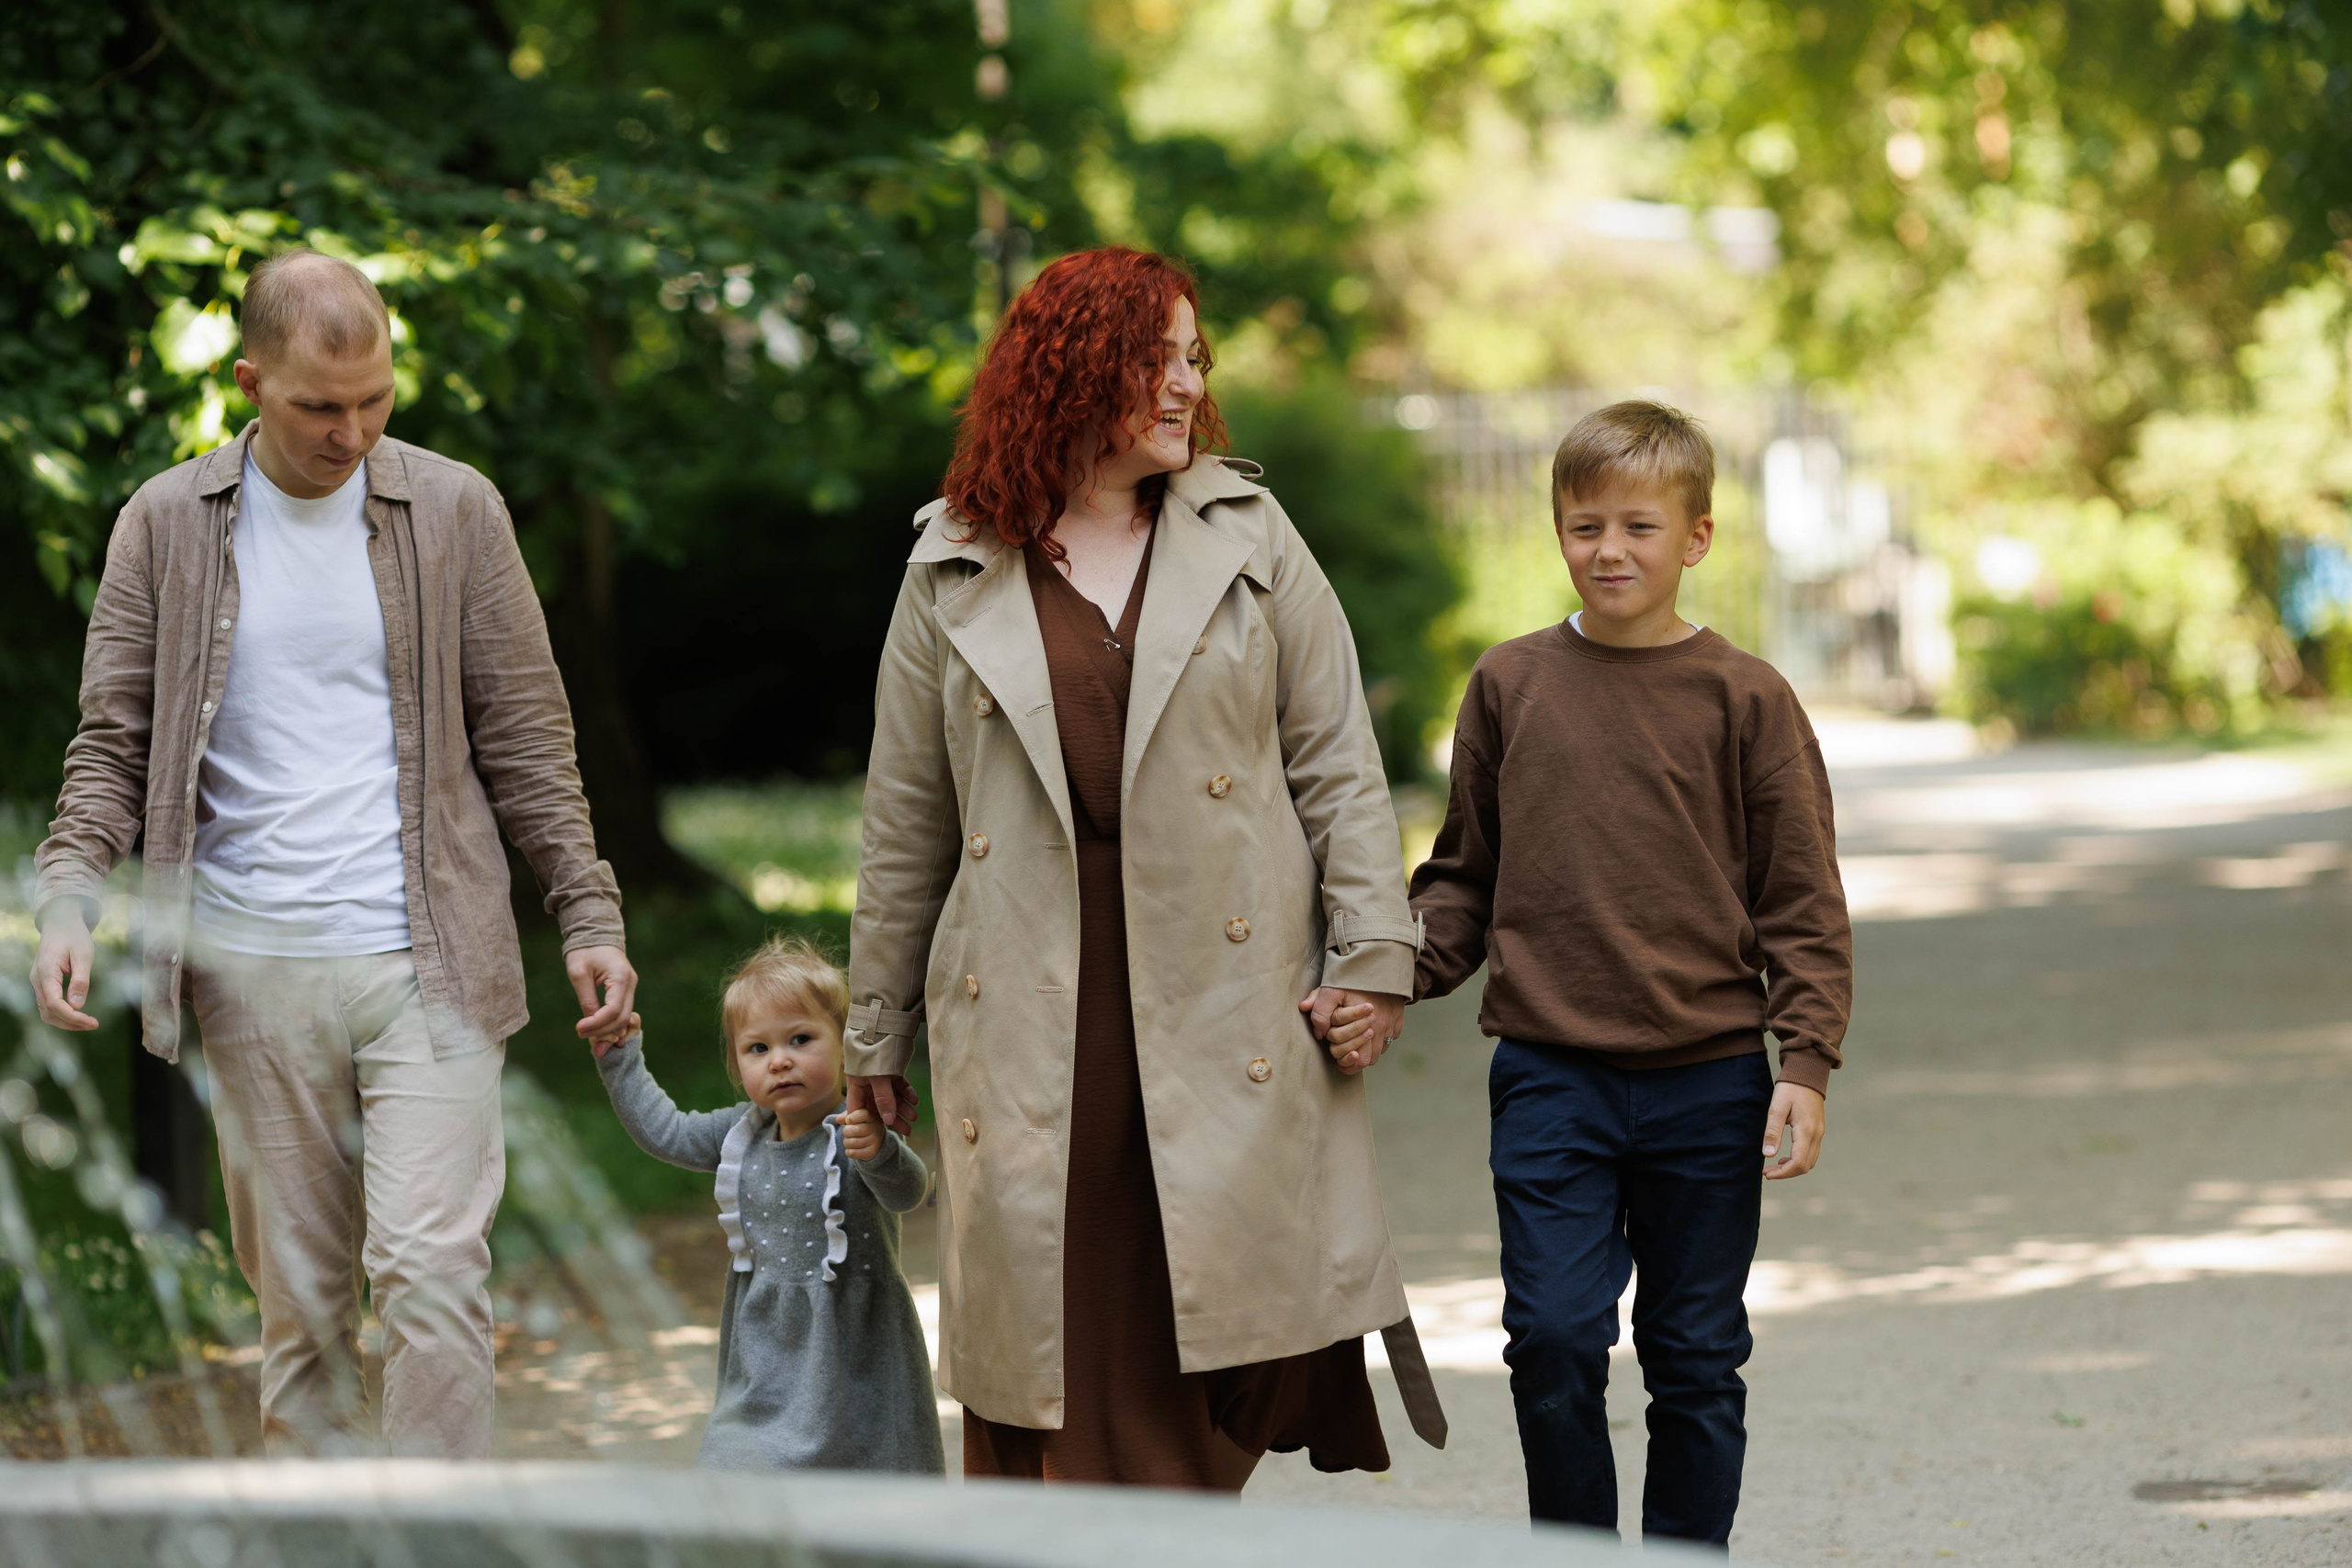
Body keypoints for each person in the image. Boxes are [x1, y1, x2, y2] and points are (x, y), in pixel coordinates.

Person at [845, 245, 1445, 1488]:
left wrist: (1376, 958)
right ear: (1076, 369)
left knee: (1212, 1321)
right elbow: (905, 816)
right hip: (1028, 1001)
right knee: (1056, 1335)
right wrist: (873, 1034)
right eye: (1156, 356)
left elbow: (1337, 758)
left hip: (1225, 992)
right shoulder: (953, 560)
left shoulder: (1249, 532)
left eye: (1192, 357)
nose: (1185, 382)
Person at [29, 249, 638, 1458]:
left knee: (432, 1274)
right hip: (250, 969)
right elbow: (113, 743)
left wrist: (589, 911)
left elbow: (528, 733)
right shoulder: (165, 522)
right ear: (252, 377)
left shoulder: (456, 509)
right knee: (303, 1311)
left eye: (376, 400)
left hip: (433, 956)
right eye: (319, 405)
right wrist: (66, 900)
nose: (351, 431)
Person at [1348, 400, 1851, 1545]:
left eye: (1636, 526)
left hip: (1710, 1081)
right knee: (1557, 1339)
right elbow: (1462, 878)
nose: (1608, 550)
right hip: (1549, 1077)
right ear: (1558, 534)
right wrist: (1385, 975)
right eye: (1583, 527)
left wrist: (1805, 1061)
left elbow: (1802, 904)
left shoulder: (1747, 699)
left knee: (1695, 1358)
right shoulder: (1511, 684)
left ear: (1697, 538)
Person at [592, 936, 942, 1473]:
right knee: (738, 1463)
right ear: (737, 1065)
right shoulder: (741, 1134)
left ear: (845, 1046)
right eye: (758, 1049)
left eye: (800, 1039)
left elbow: (908, 1192)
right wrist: (620, 1060)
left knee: (864, 1475)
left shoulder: (855, 1130)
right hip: (764, 1345)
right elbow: (666, 1132)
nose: (780, 1061)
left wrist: (881, 1152)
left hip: (853, 1349)